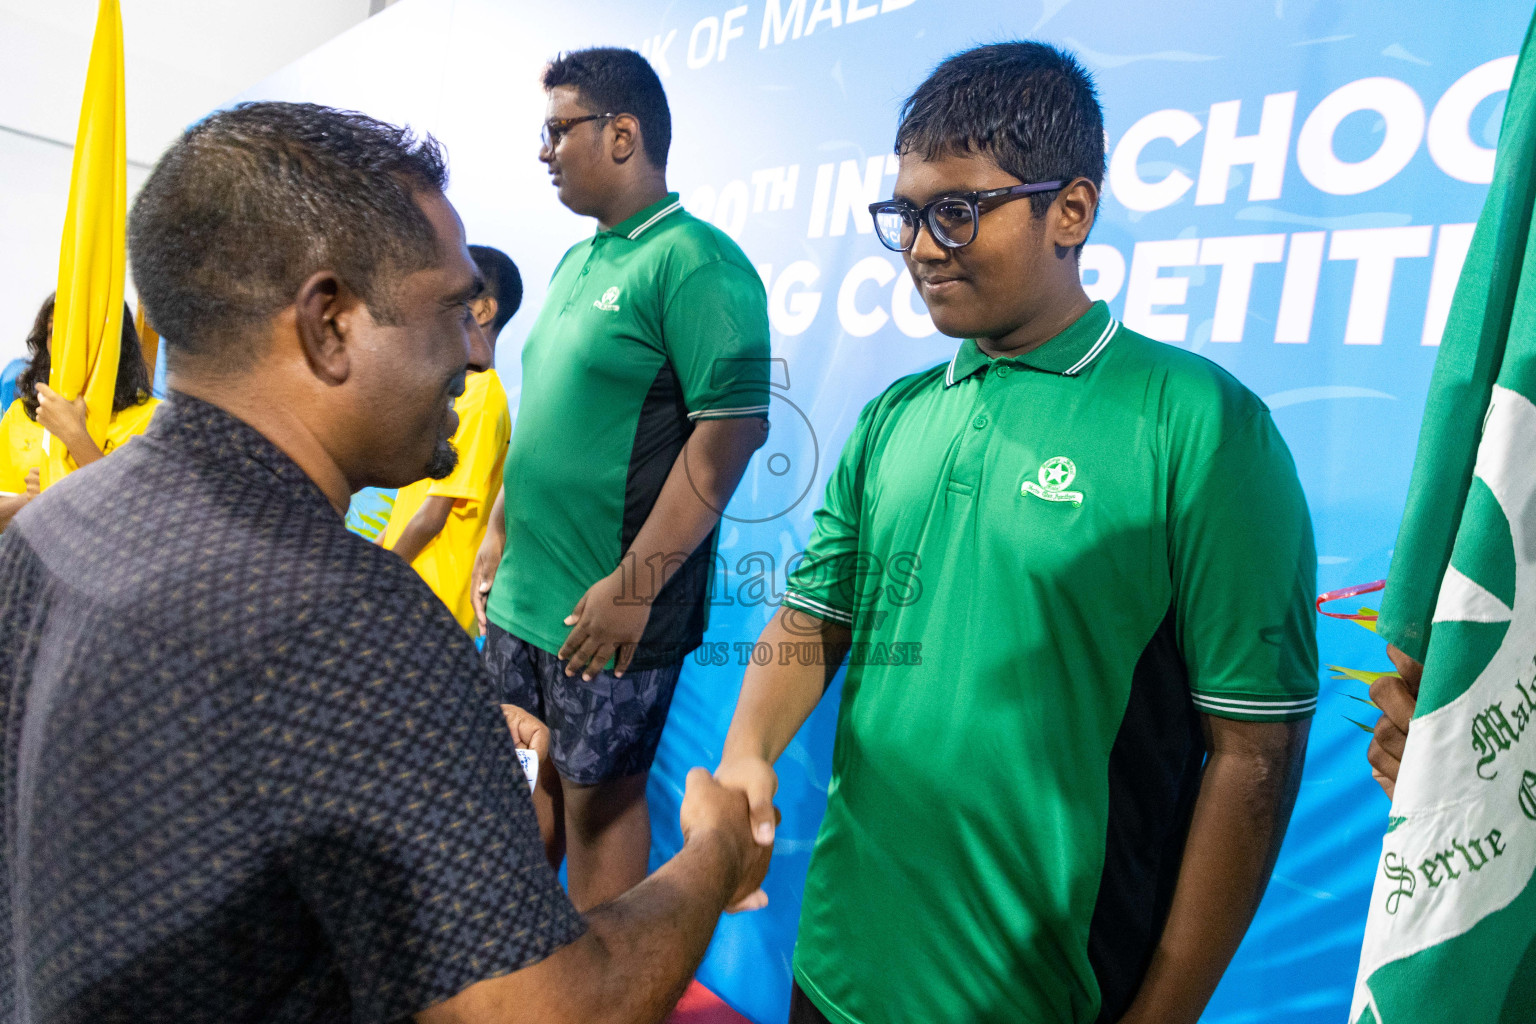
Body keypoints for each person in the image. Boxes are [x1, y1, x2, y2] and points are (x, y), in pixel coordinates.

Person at [0, 101, 768, 1024]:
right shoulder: (350, 621)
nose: (477, 351)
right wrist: (715, 852)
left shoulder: (56, 524)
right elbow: (555, 1011)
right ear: (329, 323)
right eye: (452, 309)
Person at [714, 42, 1318, 1024]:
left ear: (1070, 211)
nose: (920, 245)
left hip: (1044, 997)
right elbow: (813, 610)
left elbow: (1256, 755)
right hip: (834, 966)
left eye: (956, 209)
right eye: (905, 214)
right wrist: (747, 751)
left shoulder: (1202, 426)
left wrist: (1164, 1009)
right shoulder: (892, 417)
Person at [474, 47, 770, 909]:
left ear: (622, 134)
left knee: (600, 807)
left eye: (557, 130)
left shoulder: (697, 264)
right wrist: (498, 530)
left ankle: (606, 996)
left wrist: (635, 587)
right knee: (519, 785)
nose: (544, 151)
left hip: (609, 610)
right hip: (524, 601)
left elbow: (734, 431)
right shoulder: (576, 263)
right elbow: (547, 422)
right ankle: (524, 978)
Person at [380, 245, 520, 633]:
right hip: (404, 586)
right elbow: (410, 509)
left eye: (455, 297)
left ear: (484, 311)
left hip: (431, 608)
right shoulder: (454, 390)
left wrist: (376, 577)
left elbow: (432, 517)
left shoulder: (483, 396)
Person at [0, 294, 157, 530]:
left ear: (114, 340)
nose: (66, 343)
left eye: (79, 331)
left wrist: (74, 437)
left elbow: (140, 521)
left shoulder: (154, 418)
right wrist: (31, 499)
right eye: (54, 331)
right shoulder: (21, 414)